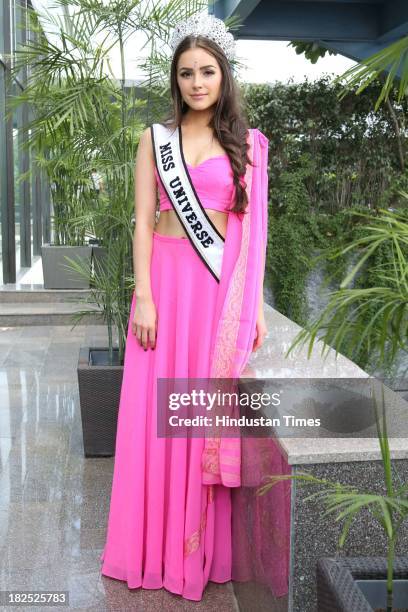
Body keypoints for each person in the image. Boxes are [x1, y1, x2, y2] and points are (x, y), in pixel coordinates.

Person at [99, 11, 287, 602]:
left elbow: (253, 230)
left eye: (207, 71)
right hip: (166, 288)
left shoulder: (249, 145)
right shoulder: (153, 139)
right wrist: (145, 297)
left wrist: (252, 304)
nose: (197, 82)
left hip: (215, 296)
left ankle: (196, 552)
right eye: (186, 73)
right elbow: (143, 223)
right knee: (155, 420)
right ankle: (150, 549)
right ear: (175, 80)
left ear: (223, 76)